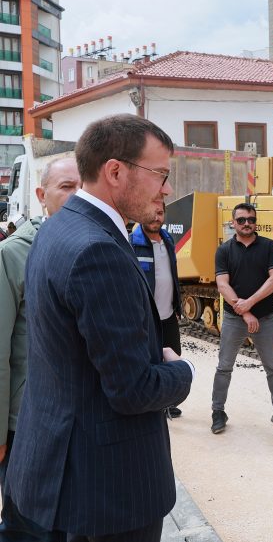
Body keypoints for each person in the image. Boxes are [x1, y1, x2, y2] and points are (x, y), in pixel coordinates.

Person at [3, 114, 194, 542]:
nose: (166, 188)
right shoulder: (97, 250)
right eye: (160, 174)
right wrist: (183, 372)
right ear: (115, 171)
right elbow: (132, 389)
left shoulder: (56, 230)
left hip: (54, 474)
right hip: (105, 495)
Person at [0, 156, 80, 539]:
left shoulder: (96, 246)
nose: (76, 196)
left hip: (75, 422)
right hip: (25, 424)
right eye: (66, 188)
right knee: (26, 528)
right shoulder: (14, 254)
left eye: (82, 186)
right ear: (40, 195)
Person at [211, 202, 273, 434]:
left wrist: (251, 303)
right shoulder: (224, 250)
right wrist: (245, 312)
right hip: (235, 319)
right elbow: (222, 284)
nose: (247, 224)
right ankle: (218, 412)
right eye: (241, 220)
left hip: (264, 318)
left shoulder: (268, 246)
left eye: (251, 220)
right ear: (233, 223)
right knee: (224, 367)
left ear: (256, 222)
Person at [131, 204, 184, 418]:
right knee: (151, 359)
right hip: (147, 317)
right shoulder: (132, 243)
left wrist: (178, 305)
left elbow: (173, 275)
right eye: (152, 212)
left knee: (173, 357)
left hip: (168, 314)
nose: (156, 217)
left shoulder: (168, 240)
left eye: (160, 213)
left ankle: (169, 402)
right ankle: (153, 404)